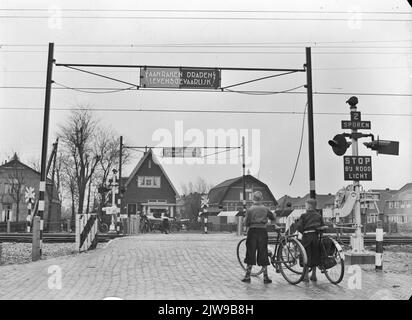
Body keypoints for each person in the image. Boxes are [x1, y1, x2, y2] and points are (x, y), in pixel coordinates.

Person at [242, 191, 275, 284]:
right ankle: (265, 277)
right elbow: (272, 217)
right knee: (263, 252)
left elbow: (246, 222)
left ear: (253, 199)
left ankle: (247, 276)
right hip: (262, 231)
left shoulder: (250, 209)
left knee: (250, 253)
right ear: (262, 199)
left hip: (252, 231)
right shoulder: (265, 209)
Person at [295, 198, 324, 282]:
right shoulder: (318, 215)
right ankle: (314, 275)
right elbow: (322, 225)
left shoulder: (304, 215)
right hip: (315, 236)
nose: (305, 207)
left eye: (306, 205)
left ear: (309, 207)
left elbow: (299, 227)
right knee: (315, 254)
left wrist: (303, 232)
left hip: (307, 236)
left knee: (306, 255)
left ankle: (306, 276)